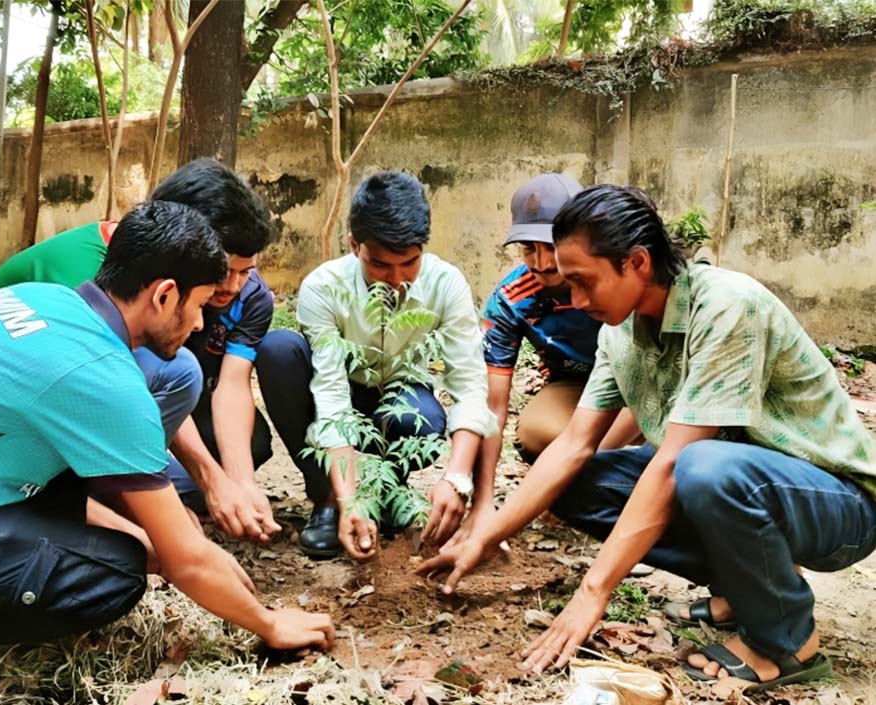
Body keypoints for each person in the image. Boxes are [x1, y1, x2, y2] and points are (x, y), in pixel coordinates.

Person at [0, 201, 333, 705]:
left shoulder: (41, 299)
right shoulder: (102, 377)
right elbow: (185, 562)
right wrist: (269, 622)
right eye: (200, 305)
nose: (200, 324)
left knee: (119, 528)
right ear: (164, 294)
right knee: (111, 570)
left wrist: (159, 538)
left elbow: (62, 491)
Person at [419, 184, 876, 691]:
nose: (575, 300)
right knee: (576, 484)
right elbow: (573, 444)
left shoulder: (726, 305)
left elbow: (675, 461)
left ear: (635, 261)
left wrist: (593, 591)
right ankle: (741, 591)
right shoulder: (621, 331)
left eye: (584, 282)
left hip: (839, 506)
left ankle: (787, 642)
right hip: (743, 483)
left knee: (700, 468)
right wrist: (486, 535)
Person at [0, 158, 281, 544]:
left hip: (61, 402)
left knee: (189, 484)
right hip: (8, 424)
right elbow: (123, 391)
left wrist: (234, 482)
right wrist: (157, 521)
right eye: (222, 271)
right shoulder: (96, 280)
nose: (233, 287)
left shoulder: (158, 272)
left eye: (246, 272)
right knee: (179, 375)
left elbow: (227, 385)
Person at [256, 171, 497, 559]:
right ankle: (327, 498)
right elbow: (331, 396)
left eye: (409, 264)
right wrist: (347, 498)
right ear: (354, 245)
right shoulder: (323, 287)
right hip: (341, 391)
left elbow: (469, 385)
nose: (396, 280)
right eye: (380, 265)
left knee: (421, 415)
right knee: (278, 351)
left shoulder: (446, 283)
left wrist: (456, 479)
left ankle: (388, 492)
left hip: (403, 395)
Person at [478, 174, 638, 503]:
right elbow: (493, 406)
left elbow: (654, 374)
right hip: (577, 386)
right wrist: (481, 501)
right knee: (535, 432)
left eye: (552, 246)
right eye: (528, 248)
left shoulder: (622, 278)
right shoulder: (511, 299)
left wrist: (577, 465)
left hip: (640, 387)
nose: (543, 263)